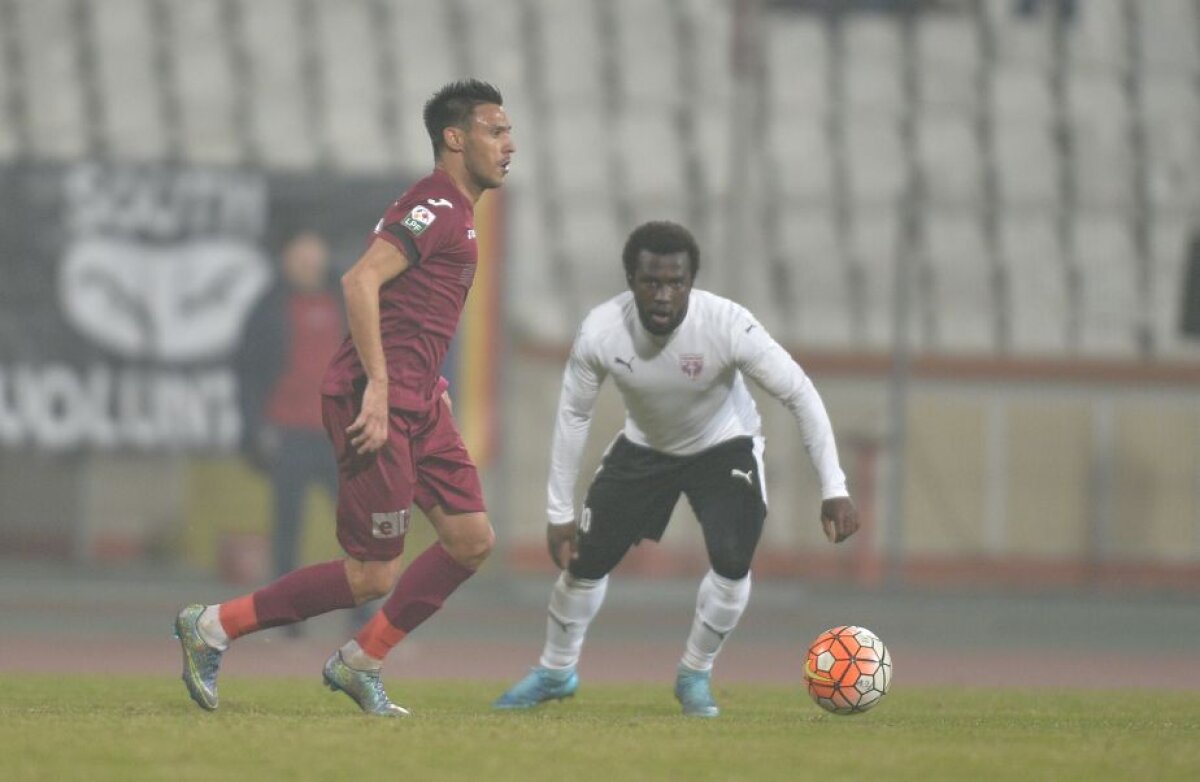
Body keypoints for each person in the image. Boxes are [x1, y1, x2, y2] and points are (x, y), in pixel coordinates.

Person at [175, 79, 515, 717]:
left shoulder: (459, 214)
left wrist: (419, 387)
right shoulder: (433, 207)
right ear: (454, 137)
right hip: (373, 401)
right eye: (495, 131)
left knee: (470, 539)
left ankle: (361, 660)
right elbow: (359, 281)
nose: (509, 144)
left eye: (507, 132)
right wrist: (382, 389)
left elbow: (407, 312)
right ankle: (214, 625)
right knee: (371, 573)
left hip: (420, 402)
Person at [493, 221, 858, 718]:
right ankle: (556, 671)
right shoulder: (601, 331)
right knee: (583, 563)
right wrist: (559, 510)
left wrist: (834, 486)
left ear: (691, 282)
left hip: (724, 446)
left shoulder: (727, 324)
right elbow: (574, 414)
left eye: (676, 283)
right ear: (631, 281)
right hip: (645, 447)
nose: (664, 295)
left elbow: (799, 393)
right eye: (651, 282)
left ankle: (694, 674)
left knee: (732, 558)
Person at [235, 230, 342, 593]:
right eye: (302, 259)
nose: (310, 267)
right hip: (288, 432)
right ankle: (285, 618)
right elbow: (248, 373)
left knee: (360, 527)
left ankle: (364, 618)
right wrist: (253, 429)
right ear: (286, 262)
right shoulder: (269, 309)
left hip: (339, 435)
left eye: (315, 259)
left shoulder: (344, 303)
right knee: (287, 527)